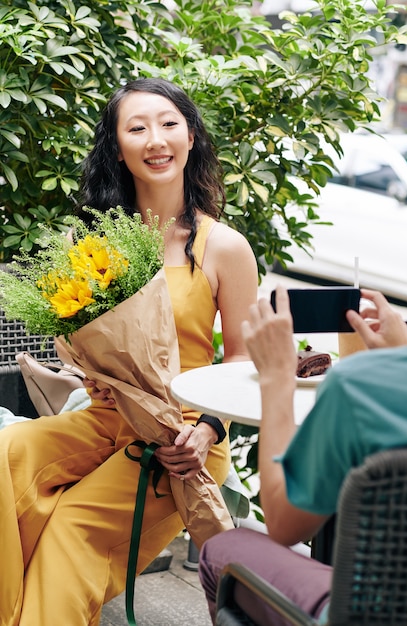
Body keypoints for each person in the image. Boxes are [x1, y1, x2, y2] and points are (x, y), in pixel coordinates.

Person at [0, 78, 258, 626]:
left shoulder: (224, 247)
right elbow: (75, 339)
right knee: (9, 450)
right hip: (105, 419)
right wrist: (91, 373)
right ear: (118, 148)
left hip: (179, 440)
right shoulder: (90, 244)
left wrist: (208, 429)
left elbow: (242, 360)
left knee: (71, 529)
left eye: (168, 124)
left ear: (190, 136)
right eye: (136, 128)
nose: (155, 139)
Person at [199, 286, 407, 625]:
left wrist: (276, 380)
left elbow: (287, 526)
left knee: (224, 548)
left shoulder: (360, 384)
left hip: (367, 613)